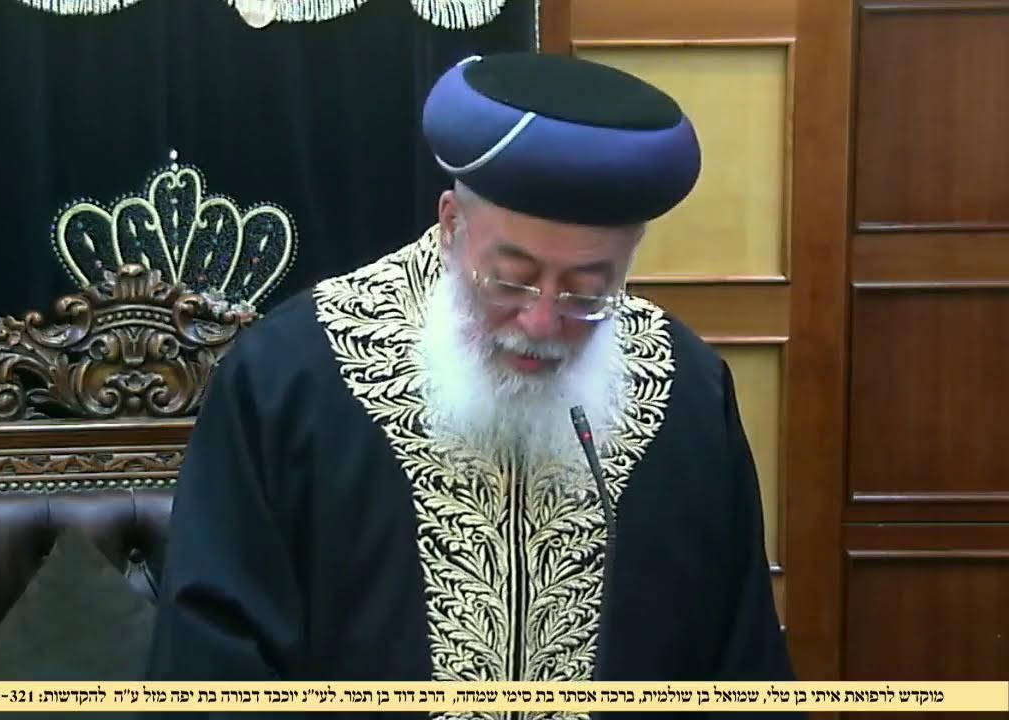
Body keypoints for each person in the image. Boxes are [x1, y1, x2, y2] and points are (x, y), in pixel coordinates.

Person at [144, 51, 797, 715]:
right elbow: (213, 665)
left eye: (586, 291)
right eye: (511, 280)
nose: (542, 322)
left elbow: (738, 665)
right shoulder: (291, 376)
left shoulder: (684, 391)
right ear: (452, 225)